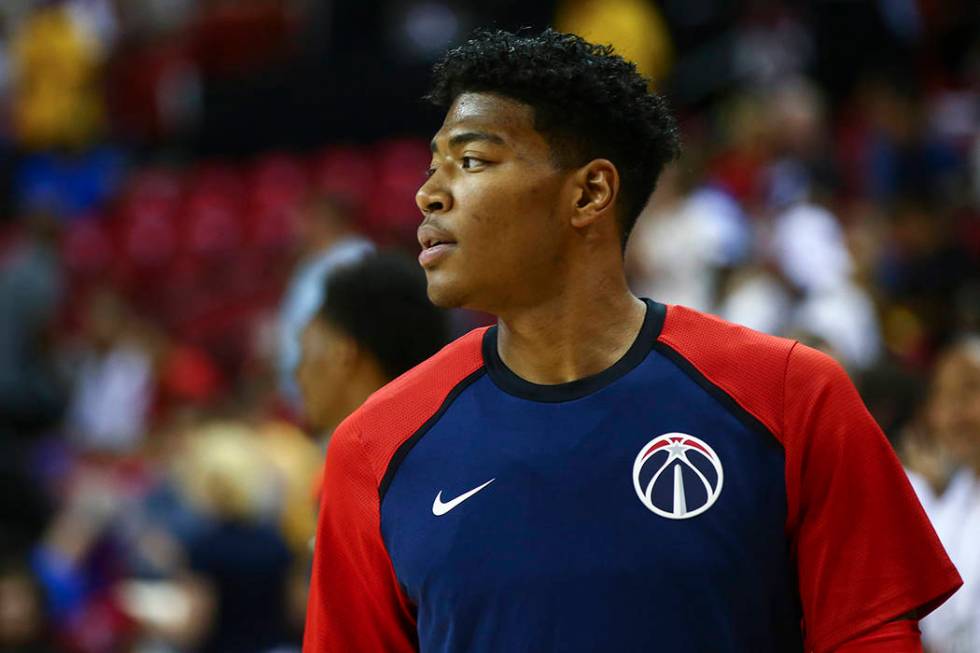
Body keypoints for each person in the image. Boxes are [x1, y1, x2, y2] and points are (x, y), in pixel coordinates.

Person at [304, 29, 960, 653]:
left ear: (590, 192)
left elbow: (871, 636)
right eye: (432, 166)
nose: (428, 194)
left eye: (472, 161)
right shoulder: (374, 447)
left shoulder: (790, 396)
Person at [295, 251, 449, 440]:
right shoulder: (448, 447)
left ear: (343, 352)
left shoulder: (354, 464)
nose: (298, 376)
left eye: (304, 354)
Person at [278, 193, 373, 409]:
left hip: (343, 386)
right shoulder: (310, 264)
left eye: (305, 219)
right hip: (308, 388)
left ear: (325, 219)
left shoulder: (355, 256)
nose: (298, 228)